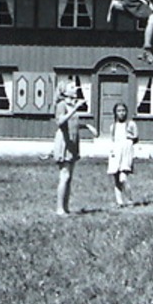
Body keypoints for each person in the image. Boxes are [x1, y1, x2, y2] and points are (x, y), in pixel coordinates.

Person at [52, 78, 97, 215]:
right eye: (72, 87)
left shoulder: (72, 105)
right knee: (64, 175)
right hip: (64, 141)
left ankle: (66, 208)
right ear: (64, 91)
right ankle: (59, 209)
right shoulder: (62, 105)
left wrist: (87, 126)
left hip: (73, 141)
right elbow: (60, 122)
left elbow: (73, 123)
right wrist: (75, 109)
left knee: (69, 177)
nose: (76, 89)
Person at [107, 102, 140, 206]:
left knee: (123, 178)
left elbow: (136, 138)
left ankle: (130, 199)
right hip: (116, 152)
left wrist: (129, 140)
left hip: (126, 152)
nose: (121, 113)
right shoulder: (113, 126)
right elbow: (113, 140)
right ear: (115, 113)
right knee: (116, 178)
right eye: (119, 111)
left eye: (123, 111)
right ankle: (119, 201)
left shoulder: (131, 124)